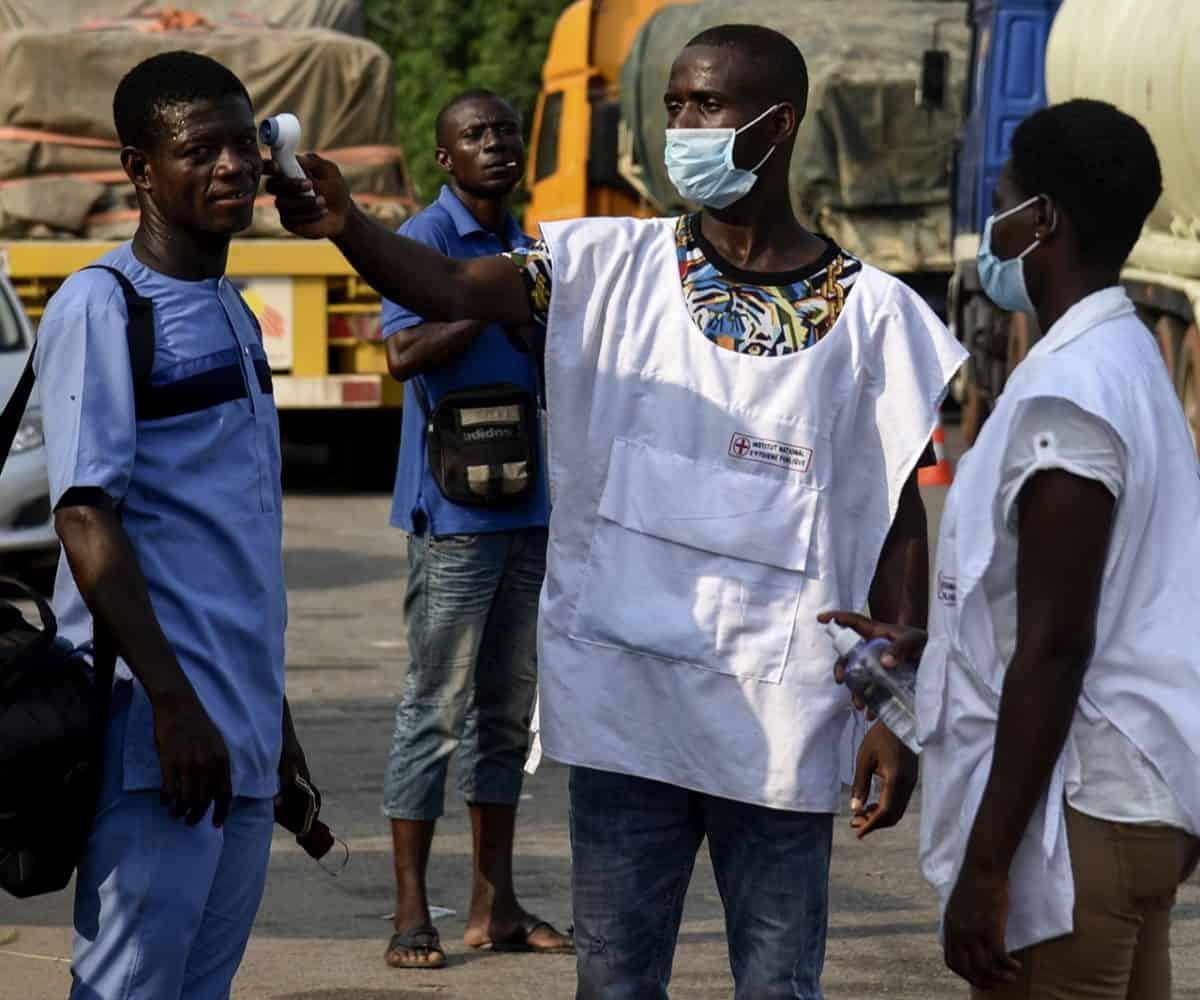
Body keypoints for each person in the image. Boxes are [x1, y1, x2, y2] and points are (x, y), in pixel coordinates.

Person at [268, 24, 965, 999]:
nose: (681, 124)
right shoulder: (602, 268)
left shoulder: (874, 316)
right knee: (618, 986)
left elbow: (897, 512)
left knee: (778, 984)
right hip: (628, 713)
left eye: (707, 106)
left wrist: (895, 705)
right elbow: (450, 284)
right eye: (673, 103)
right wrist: (346, 222)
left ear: (779, 123)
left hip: (781, 717)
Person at [822, 99, 1200, 999]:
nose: (991, 228)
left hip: (1081, 822)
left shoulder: (1071, 392)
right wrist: (938, 649)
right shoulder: (1125, 358)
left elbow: (1058, 645)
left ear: (1042, 221)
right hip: (1136, 805)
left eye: (1003, 201)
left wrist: (985, 873)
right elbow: (1086, 594)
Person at [36, 51, 308, 999]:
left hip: (236, 735)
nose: (234, 166)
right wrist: (173, 703)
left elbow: (231, 549)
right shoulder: (103, 306)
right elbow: (84, 514)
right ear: (139, 168)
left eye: (246, 145)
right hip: (155, 734)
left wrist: (275, 728)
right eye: (202, 150)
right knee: (129, 988)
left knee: (199, 987)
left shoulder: (233, 310)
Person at [377, 88, 570, 970]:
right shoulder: (425, 240)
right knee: (433, 710)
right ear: (446, 158)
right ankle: (410, 910)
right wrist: (485, 304)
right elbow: (401, 354)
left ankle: (495, 907)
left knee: (504, 716)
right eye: (474, 135)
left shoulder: (533, 242)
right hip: (453, 516)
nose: (495, 143)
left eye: (504, 131)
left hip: (527, 502)